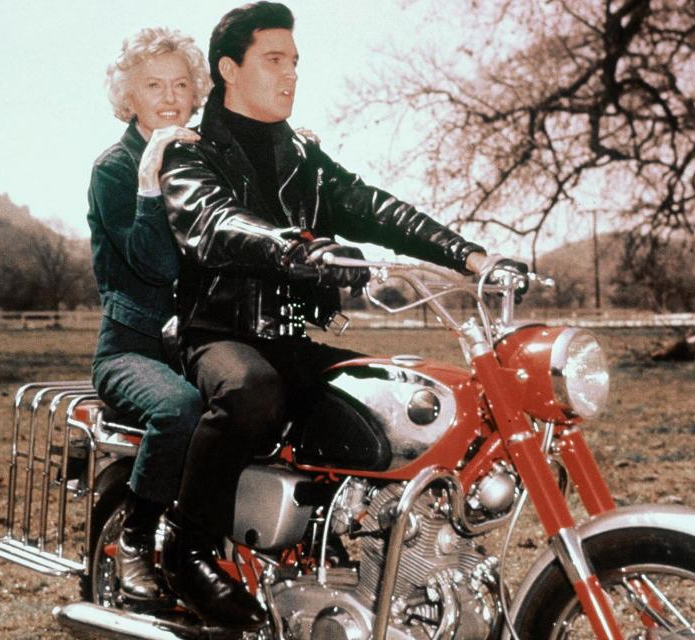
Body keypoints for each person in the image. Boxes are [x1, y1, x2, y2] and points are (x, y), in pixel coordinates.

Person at [157, 2, 506, 628]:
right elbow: (212, 224)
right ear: (229, 69)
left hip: (291, 338)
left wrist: (468, 256)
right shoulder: (191, 150)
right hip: (216, 335)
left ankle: (372, 562)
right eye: (274, 60)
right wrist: (296, 245)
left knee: (394, 402)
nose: (290, 75)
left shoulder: (300, 158)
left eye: (295, 63)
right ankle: (184, 550)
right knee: (252, 390)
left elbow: (375, 207)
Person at [86, 27, 208, 602]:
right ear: (127, 97)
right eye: (153, 84)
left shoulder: (204, 157)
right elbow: (154, 266)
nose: (169, 96)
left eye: (181, 83)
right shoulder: (115, 169)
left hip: (197, 343)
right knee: (180, 408)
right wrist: (149, 179)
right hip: (129, 349)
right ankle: (136, 539)